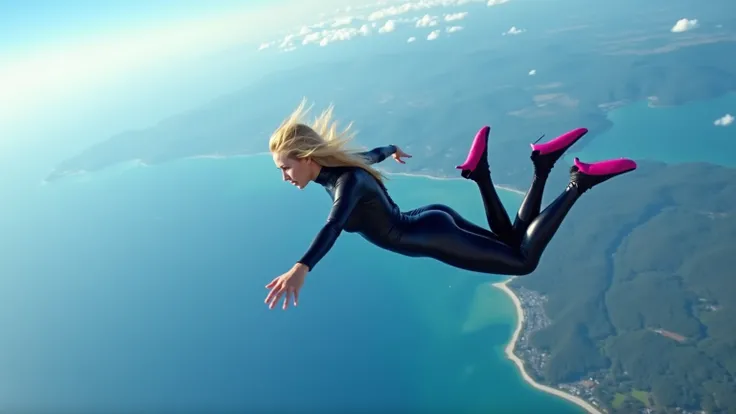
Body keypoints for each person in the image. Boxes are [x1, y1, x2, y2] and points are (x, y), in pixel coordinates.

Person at [264, 101, 637, 310]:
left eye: (286, 167)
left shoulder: (346, 181)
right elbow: (373, 153)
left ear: (307, 156)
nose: (285, 176)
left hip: (432, 235)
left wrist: (302, 266)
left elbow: (332, 226)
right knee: (508, 239)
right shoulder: (344, 166)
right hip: (432, 218)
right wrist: (391, 149)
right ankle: (533, 166)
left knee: (523, 261)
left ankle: (578, 183)